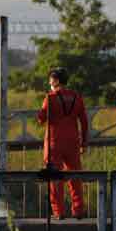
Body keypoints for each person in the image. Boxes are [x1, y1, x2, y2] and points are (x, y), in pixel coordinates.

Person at [37, 68, 88, 220]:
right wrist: (84, 142)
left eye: (51, 80)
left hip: (54, 143)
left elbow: (41, 119)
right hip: (73, 142)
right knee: (75, 177)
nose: (49, 83)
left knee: (55, 178)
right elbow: (84, 122)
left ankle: (58, 212)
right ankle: (78, 211)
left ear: (57, 81)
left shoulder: (50, 98)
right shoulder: (77, 97)